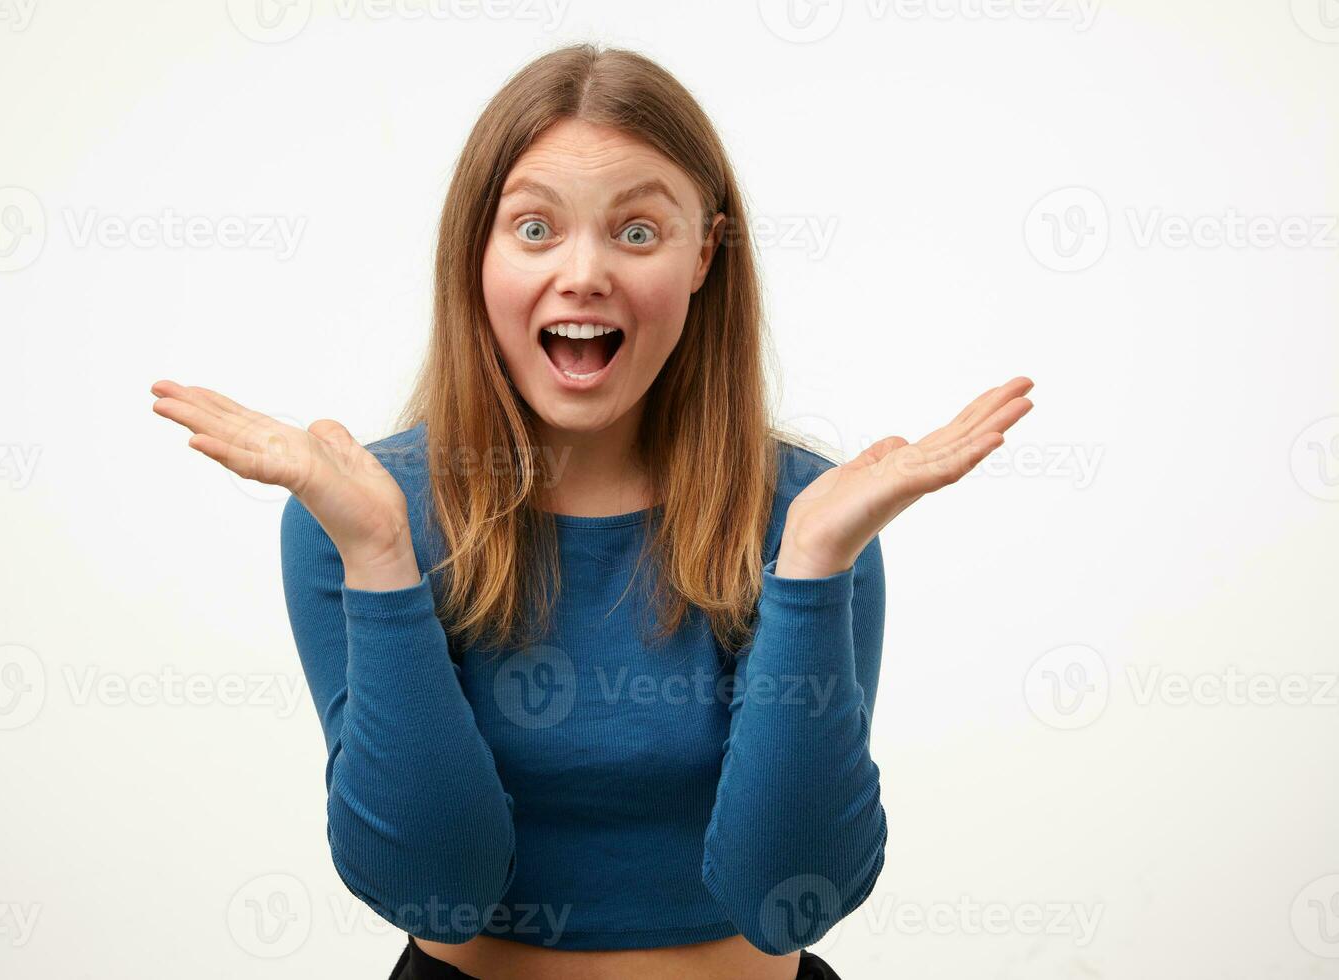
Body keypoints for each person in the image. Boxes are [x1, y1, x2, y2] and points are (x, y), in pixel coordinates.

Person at [152, 42, 1033, 980]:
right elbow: (429, 887)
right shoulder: (362, 514)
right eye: (534, 228)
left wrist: (813, 563)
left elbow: (794, 892)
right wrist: (377, 553)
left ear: (705, 255)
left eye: (638, 232)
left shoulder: (810, 514)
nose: (583, 274)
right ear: (475, 255)